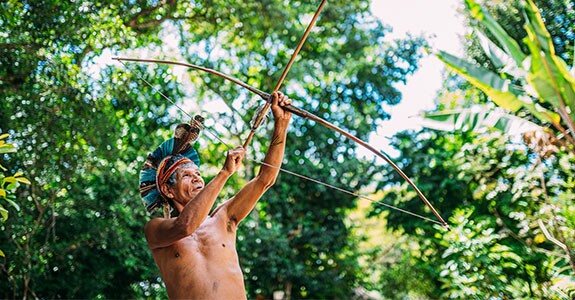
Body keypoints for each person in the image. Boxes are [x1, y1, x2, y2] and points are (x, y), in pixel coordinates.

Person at [139, 91, 292, 299]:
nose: (197, 179)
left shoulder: (224, 217)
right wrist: (224, 173)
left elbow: (265, 179)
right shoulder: (156, 230)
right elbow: (185, 225)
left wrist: (281, 125)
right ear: (167, 189)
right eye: (187, 175)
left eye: (198, 174)